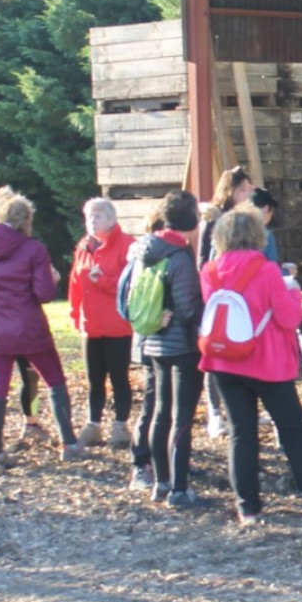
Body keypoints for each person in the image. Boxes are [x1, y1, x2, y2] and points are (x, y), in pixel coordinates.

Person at [199, 207, 302, 526]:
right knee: (293, 432)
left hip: (224, 360)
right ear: (258, 235)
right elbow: (289, 318)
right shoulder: (267, 270)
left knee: (241, 434)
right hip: (266, 362)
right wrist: (293, 291)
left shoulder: (209, 271)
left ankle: (249, 507)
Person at [0, 186, 85, 469]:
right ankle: (68, 442)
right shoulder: (34, 249)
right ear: (26, 220)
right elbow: (43, 293)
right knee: (54, 380)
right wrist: (52, 277)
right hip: (30, 327)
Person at [124, 190, 206, 508]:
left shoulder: (144, 250)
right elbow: (187, 311)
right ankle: (180, 489)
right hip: (181, 346)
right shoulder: (179, 255)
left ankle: (160, 482)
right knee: (182, 418)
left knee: (160, 413)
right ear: (191, 220)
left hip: (152, 340)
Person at [67, 197, 135, 449]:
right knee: (94, 379)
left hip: (117, 325)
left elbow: (130, 284)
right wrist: (75, 313)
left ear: (111, 219)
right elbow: (75, 282)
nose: (92, 221)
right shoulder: (84, 247)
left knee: (119, 377)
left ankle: (120, 425)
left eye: (97, 216)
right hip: (91, 325)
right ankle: (93, 424)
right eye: (89, 217)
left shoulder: (127, 245)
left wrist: (103, 280)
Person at [200, 166, 254, 438]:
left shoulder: (248, 219)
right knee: (215, 351)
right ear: (230, 190)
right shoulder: (214, 217)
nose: (247, 194)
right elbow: (203, 258)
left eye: (249, 189)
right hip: (220, 292)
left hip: (243, 293)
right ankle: (214, 412)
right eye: (242, 189)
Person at [122, 207, 166, 491]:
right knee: (153, 405)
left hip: (143, 336)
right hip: (154, 337)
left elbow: (123, 301)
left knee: (155, 404)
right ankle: (141, 463)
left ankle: (152, 461)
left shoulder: (136, 256)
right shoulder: (155, 258)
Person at [248, 186, 283, 268]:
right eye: (272, 211)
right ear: (266, 208)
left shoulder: (232, 231)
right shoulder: (266, 235)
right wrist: (287, 272)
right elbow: (272, 266)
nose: (272, 214)